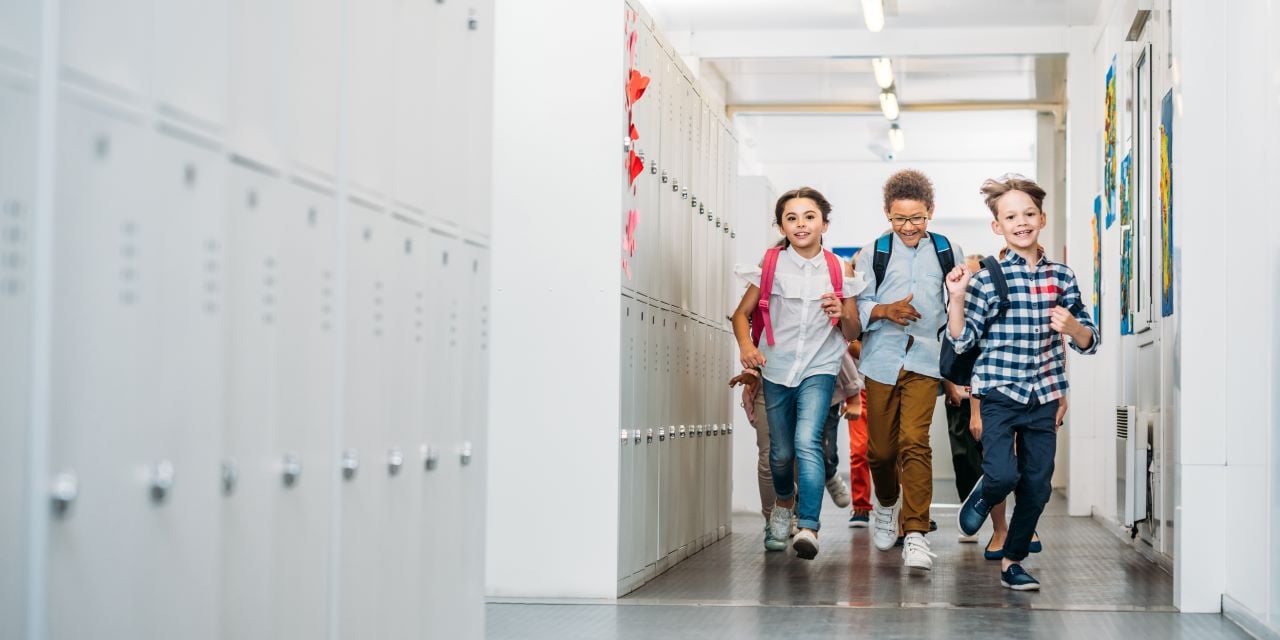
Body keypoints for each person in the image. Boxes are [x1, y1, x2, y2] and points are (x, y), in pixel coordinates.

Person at [949, 174, 1098, 591]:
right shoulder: (986, 278)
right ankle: (985, 491)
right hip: (998, 392)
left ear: (1043, 218)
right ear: (997, 226)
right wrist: (957, 298)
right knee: (1001, 476)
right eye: (1010, 216)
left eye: (1029, 213)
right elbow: (962, 341)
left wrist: (1073, 328)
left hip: (1045, 395)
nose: (1021, 221)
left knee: (1037, 486)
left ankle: (1013, 559)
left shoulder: (1062, 277)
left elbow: (1090, 340)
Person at [731, 187, 865, 560]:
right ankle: (783, 507)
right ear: (781, 225)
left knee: (808, 443)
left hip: (820, 367)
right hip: (776, 368)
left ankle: (809, 527)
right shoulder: (771, 264)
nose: (801, 224)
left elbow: (853, 332)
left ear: (824, 222)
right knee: (779, 453)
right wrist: (747, 348)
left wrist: (842, 312)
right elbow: (741, 315)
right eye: (792, 218)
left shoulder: (840, 269)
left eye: (809, 216)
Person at [853, 170, 961, 571]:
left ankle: (915, 532)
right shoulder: (873, 253)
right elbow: (857, 307)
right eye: (900, 219)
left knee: (915, 442)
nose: (909, 227)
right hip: (881, 359)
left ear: (930, 212)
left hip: (925, 361)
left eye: (917, 218)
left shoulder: (948, 250)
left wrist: (957, 369)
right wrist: (884, 310)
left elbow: (957, 307)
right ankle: (885, 504)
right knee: (879, 452)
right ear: (887, 214)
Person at [942, 254, 987, 543]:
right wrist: (950, 386)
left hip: (985, 395)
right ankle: (967, 508)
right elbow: (944, 354)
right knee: (962, 456)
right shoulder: (952, 310)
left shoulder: (988, 311)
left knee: (991, 456)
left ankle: (991, 512)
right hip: (958, 394)